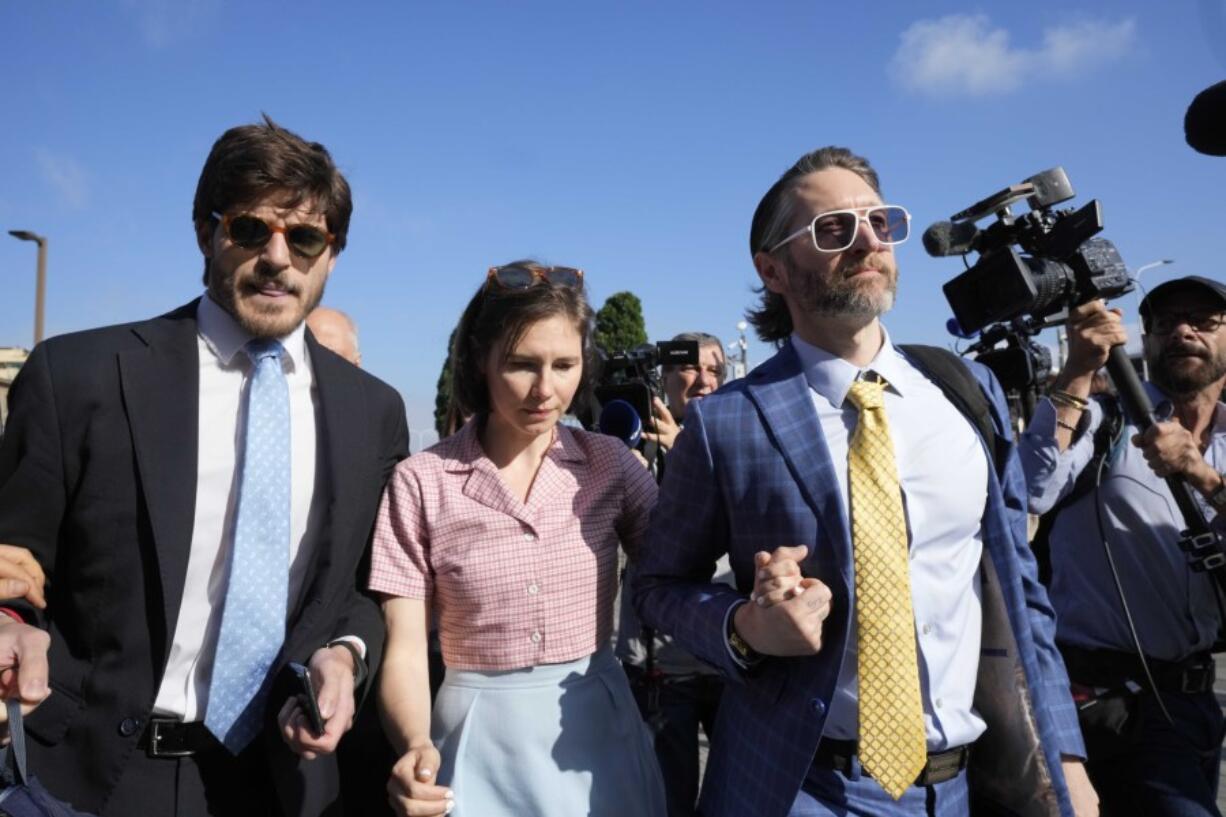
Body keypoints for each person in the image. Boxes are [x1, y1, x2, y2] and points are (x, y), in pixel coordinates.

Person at [633, 146, 1096, 817]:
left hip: (961, 787)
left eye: (880, 222)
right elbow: (656, 587)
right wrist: (744, 626)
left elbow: (1020, 586)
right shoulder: (725, 423)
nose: (867, 241)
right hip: (798, 785)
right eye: (833, 230)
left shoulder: (967, 393)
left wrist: (1067, 756)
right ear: (773, 271)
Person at [0, 116, 408, 816]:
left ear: (330, 255)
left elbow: (364, 589)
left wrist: (343, 653)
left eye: (304, 238)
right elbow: (13, 553)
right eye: (251, 229)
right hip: (93, 778)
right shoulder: (80, 376)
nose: (278, 257)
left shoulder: (373, 413)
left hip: (288, 781)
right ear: (205, 231)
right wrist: (8, 621)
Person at [370, 261, 666, 817]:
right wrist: (413, 742)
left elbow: (679, 569)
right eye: (522, 365)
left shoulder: (612, 467)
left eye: (565, 365)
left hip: (595, 726)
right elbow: (406, 649)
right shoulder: (421, 481)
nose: (545, 390)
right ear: (480, 361)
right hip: (473, 735)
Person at [1019, 276, 1226, 816]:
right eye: (1165, 322)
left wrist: (1203, 476)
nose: (1183, 331)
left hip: (1197, 701)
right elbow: (1031, 489)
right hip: (1113, 701)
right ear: (1146, 339)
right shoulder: (1104, 420)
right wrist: (1079, 369)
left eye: (1205, 321)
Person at [617, 330, 730, 817]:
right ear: (662, 378)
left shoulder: (745, 438)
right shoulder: (631, 448)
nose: (704, 380)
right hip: (661, 667)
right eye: (689, 367)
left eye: (715, 371)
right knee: (668, 804)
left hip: (733, 660)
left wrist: (689, 452)